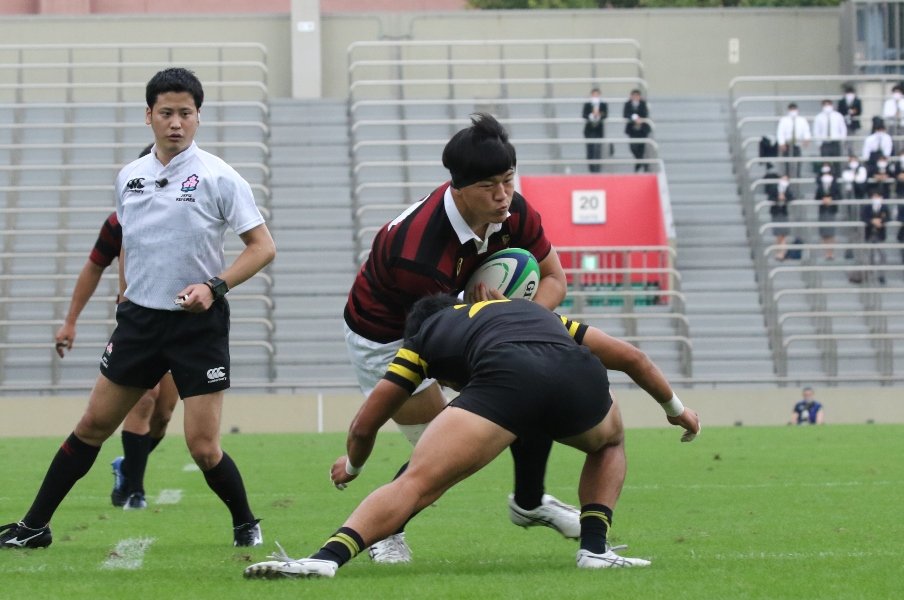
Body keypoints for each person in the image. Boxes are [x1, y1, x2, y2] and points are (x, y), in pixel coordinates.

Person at [0, 67, 276, 549]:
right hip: (139, 323)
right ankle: (34, 526)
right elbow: (130, 243)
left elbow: (262, 247)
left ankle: (245, 522)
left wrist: (214, 286)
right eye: (166, 112)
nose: (176, 123)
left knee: (203, 447)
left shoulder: (219, 176)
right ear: (148, 115)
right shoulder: (129, 177)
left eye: (185, 114)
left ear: (197, 118)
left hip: (197, 325)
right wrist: (128, 289)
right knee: (91, 426)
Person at [243, 297, 701, 579]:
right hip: (573, 373)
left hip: (505, 380)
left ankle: (327, 558)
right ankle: (594, 550)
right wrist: (676, 411)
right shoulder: (530, 310)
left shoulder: (424, 337)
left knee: (417, 483)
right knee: (609, 443)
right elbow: (633, 357)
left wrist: (354, 465)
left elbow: (366, 423)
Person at [342, 112, 571, 564]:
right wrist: (488, 316)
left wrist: (513, 318)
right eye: (490, 185)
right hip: (390, 334)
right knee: (444, 448)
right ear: (458, 187)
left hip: (462, 315)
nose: (503, 194)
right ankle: (385, 531)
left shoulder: (513, 210)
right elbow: (440, 339)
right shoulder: (419, 252)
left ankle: (529, 502)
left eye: (509, 179)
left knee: (529, 387)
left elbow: (555, 280)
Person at [54, 144, 178, 511]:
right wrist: (70, 321)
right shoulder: (119, 221)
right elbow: (94, 267)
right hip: (140, 323)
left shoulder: (192, 211)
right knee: (146, 397)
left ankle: (128, 465)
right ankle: (134, 491)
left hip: (183, 325)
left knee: (164, 414)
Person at [812, 99, 847, 176]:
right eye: (825, 105)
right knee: (826, 164)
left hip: (835, 142)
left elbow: (843, 129)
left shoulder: (838, 116)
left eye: (828, 104)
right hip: (825, 143)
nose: (827, 106)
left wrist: (842, 140)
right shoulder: (819, 117)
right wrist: (819, 143)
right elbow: (816, 131)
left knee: (837, 164)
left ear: (832, 105)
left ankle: (837, 184)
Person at [861, 192, 890, 284]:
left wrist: (881, 221)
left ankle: (881, 275)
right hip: (869, 234)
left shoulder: (885, 207)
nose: (876, 198)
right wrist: (872, 221)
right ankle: (869, 275)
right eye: (875, 196)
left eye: (878, 196)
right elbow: (863, 217)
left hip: (880, 235)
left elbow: (889, 217)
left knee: (883, 255)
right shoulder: (867, 207)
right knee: (870, 255)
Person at [776, 102, 811, 179]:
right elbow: (780, 132)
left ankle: (798, 177)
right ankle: (787, 178)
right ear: (788, 110)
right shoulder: (784, 120)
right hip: (787, 145)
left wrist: (806, 139)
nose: (793, 111)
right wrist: (782, 143)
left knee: (798, 162)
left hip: (797, 145)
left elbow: (806, 131)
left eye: (794, 109)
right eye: (791, 109)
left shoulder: (802, 120)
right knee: (787, 164)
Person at [765, 172, 794, 261]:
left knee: (783, 234)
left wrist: (785, 198)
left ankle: (781, 253)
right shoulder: (774, 188)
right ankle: (779, 252)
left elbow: (792, 197)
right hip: (776, 212)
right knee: (778, 234)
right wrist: (778, 198)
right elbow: (770, 198)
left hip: (783, 212)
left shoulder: (788, 190)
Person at [815, 164, 841, 260]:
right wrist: (823, 199)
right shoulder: (820, 185)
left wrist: (831, 199)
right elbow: (816, 197)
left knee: (831, 232)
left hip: (831, 210)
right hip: (822, 210)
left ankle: (831, 252)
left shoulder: (835, 185)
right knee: (824, 233)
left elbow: (839, 196)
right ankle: (826, 252)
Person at [622, 89, 651, 172]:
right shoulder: (627, 104)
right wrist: (633, 118)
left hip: (642, 130)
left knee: (641, 148)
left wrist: (640, 119)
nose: (635, 97)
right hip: (632, 129)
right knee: (633, 148)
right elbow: (625, 115)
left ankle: (638, 166)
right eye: (633, 96)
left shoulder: (643, 104)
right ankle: (642, 162)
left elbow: (645, 114)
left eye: (637, 96)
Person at [582, 87, 607, 173]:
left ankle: (597, 170)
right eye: (594, 94)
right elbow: (584, 115)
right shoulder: (587, 105)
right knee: (590, 150)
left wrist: (599, 115)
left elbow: (605, 115)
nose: (595, 96)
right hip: (589, 130)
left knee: (597, 150)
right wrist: (591, 115)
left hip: (599, 130)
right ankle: (591, 169)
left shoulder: (603, 105)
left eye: (597, 94)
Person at [837, 85, 862, 156]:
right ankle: (845, 155)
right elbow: (839, 111)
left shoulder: (857, 101)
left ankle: (852, 155)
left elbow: (860, 111)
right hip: (844, 123)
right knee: (844, 142)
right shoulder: (842, 101)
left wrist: (854, 112)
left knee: (852, 142)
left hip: (853, 124)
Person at [881, 84, 904, 151]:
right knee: (892, 142)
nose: (896, 94)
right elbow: (885, 114)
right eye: (895, 92)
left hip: (902, 125)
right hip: (892, 125)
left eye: (898, 92)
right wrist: (894, 115)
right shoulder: (888, 102)